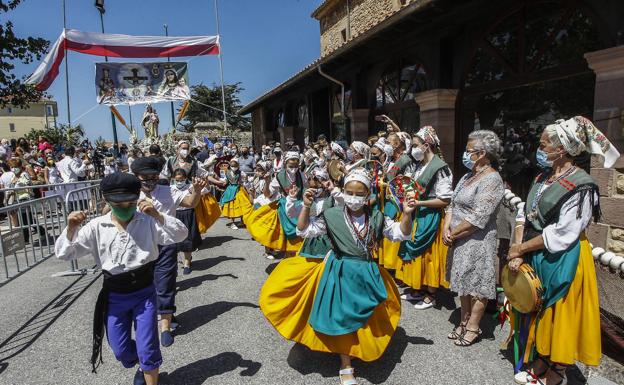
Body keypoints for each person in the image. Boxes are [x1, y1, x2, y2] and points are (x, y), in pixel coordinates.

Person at [259, 168, 416, 385]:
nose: (353, 198)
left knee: (366, 316)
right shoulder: (332, 215)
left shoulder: (377, 216)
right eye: (349, 192)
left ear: (368, 194)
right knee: (342, 315)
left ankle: (358, 349)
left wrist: (407, 213)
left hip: (367, 270)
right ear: (343, 191)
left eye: (359, 193)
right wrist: (305, 206)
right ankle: (346, 364)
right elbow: (304, 231)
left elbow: (402, 233)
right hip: (340, 270)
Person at [509, 116, 619, 385]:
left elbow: (563, 232)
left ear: (563, 148)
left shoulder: (582, 186)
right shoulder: (542, 176)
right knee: (542, 309)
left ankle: (558, 369)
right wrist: (519, 249)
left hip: (565, 257)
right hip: (538, 252)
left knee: (560, 311)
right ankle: (544, 358)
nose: (541, 149)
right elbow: (526, 212)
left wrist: (520, 247)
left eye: (545, 145)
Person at [55, 172, 188, 385]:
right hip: (114, 294)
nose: (125, 207)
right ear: (107, 201)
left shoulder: (147, 221)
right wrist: (71, 228)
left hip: (144, 292)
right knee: (120, 348)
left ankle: (149, 370)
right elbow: (65, 253)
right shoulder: (97, 226)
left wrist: (158, 215)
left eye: (130, 203)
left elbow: (180, 234)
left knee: (148, 345)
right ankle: (142, 364)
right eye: (119, 203)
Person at [130, 157, 207, 347]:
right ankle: (155, 315)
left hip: (166, 244)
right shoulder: (129, 193)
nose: (149, 181)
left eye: (154, 176)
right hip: (139, 247)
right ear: (136, 177)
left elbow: (190, 203)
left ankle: (164, 326)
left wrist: (196, 191)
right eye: (145, 177)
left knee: (165, 283)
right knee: (145, 286)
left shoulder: (168, 190)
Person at [444, 130, 505, 346]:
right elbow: (451, 204)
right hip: (459, 237)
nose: (465, 154)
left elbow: (479, 216)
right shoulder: (467, 175)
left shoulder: (492, 179)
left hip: (478, 239)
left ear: (481, 153)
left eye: (469, 150)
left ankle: (473, 326)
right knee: (463, 280)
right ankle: (462, 321)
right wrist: (446, 228)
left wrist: (455, 232)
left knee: (478, 283)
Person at [395, 126, 452, 310]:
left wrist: (419, 204)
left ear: (426, 145)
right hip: (417, 213)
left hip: (430, 215)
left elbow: (444, 199)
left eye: (415, 145)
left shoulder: (441, 168)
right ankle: (417, 288)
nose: (412, 149)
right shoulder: (419, 165)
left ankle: (431, 294)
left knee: (429, 255)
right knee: (416, 251)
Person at [246, 151, 308, 256]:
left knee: (300, 229)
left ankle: (294, 252)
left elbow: (306, 189)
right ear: (285, 164)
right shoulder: (279, 176)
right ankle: (285, 252)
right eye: (291, 166)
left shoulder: (302, 175)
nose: (293, 168)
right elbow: (268, 194)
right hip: (284, 206)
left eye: (296, 166)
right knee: (285, 230)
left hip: (299, 206)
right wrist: (267, 181)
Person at [171, 169, 202, 275]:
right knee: (173, 241)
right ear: (173, 179)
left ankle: (187, 262)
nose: (179, 182)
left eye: (182, 179)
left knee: (188, 240)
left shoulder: (191, 187)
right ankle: (173, 264)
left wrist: (196, 190)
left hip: (188, 214)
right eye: (177, 179)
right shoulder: (170, 189)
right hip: (175, 215)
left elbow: (203, 192)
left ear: (185, 178)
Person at [219, 158, 253, 229]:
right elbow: (225, 182)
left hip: (239, 189)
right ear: (230, 165)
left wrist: (246, 179)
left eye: (235, 165)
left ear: (237, 165)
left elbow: (244, 180)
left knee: (242, 204)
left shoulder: (241, 172)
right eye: (232, 166)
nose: (234, 167)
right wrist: (219, 181)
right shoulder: (227, 172)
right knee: (232, 205)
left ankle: (242, 221)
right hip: (230, 189)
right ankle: (232, 223)